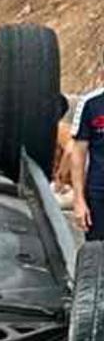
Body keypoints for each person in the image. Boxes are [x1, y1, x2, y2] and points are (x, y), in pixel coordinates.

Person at [71, 81, 104, 239]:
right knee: (96, 256)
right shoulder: (91, 104)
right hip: (98, 196)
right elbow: (78, 153)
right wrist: (78, 200)